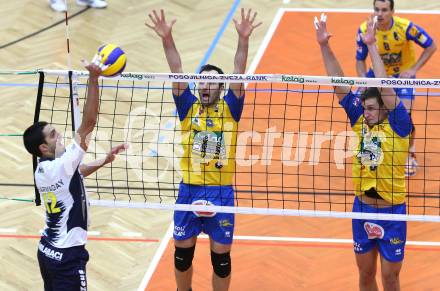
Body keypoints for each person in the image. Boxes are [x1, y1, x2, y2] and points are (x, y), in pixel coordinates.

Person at [146, 8, 261, 291]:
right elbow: (176, 69)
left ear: (221, 88)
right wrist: (167, 38)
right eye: (202, 81)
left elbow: (238, 70)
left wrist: (243, 39)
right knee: (182, 256)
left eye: (211, 81)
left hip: (221, 192)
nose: (205, 85)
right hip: (190, 190)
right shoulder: (188, 106)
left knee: (221, 260)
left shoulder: (231, 107)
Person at [316, 14, 411, 291]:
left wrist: (371, 45)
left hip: (392, 212)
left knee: (391, 278)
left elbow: (383, 85)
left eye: (370, 108)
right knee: (366, 276)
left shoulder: (399, 124)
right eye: (365, 108)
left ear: (384, 108)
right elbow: (339, 84)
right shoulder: (360, 121)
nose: (365, 113)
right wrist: (324, 46)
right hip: (362, 209)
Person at [23, 56, 126, 290]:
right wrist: (94, 78)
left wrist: (104, 160)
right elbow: (88, 123)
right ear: (43, 148)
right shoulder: (60, 166)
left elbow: (75, 174)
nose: (58, 134)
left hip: (48, 250)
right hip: (67, 257)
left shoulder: (44, 169)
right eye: (52, 135)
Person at [355, 0, 437, 176]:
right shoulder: (365, 29)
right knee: (368, 114)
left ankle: (409, 154)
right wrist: (362, 80)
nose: (380, 14)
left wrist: (413, 69)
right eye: (377, 9)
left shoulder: (405, 27)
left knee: (404, 117)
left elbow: (431, 45)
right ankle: (372, 150)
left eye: (384, 10)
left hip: (402, 79)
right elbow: (360, 59)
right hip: (377, 76)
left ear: (392, 11)